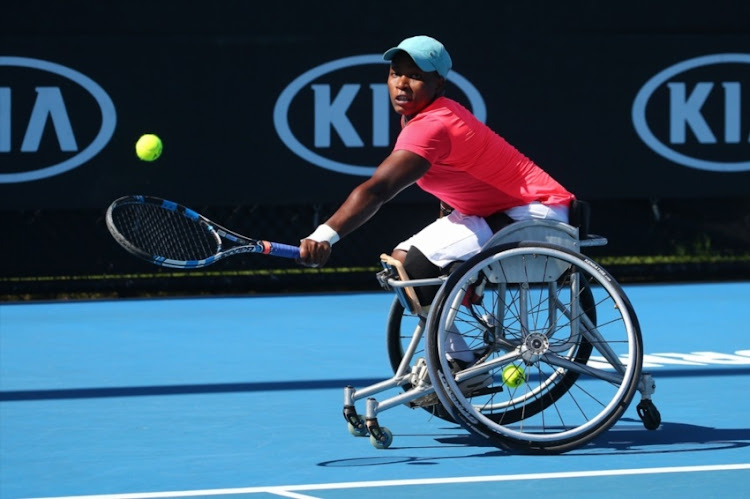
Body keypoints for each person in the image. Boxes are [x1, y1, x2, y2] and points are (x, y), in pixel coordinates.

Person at [299, 35, 575, 304]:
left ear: (438, 82)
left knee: (418, 269)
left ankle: (456, 347)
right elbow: (459, 181)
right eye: (395, 74)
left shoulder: (433, 125)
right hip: (502, 213)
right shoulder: (426, 117)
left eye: (416, 76)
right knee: (404, 261)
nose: (402, 84)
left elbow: (378, 190)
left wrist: (323, 236)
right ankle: (457, 345)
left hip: (536, 215)